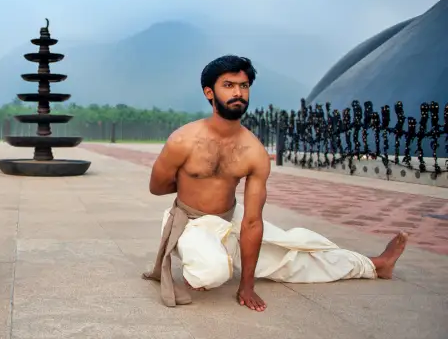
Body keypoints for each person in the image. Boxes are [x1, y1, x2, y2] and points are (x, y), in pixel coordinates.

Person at [142, 55, 408, 312]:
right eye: (228, 85)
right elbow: (157, 187)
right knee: (212, 272)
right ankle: (201, 261)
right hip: (189, 221)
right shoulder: (182, 140)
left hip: (230, 217)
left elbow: (253, 222)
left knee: (294, 251)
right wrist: (195, 187)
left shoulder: (253, 151)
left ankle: (373, 265)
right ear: (209, 93)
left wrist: (247, 286)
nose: (238, 93)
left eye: (243, 86)